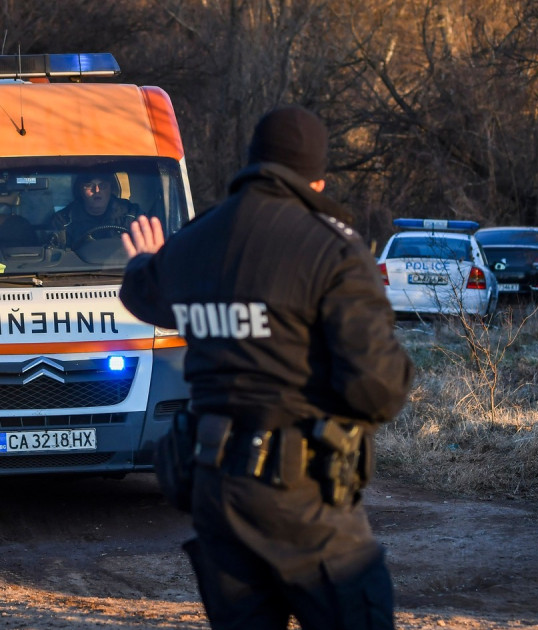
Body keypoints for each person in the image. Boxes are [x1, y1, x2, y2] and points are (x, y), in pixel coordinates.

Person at [119, 106, 414, 629]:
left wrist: (149, 260)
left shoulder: (193, 243)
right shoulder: (333, 249)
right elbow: (376, 389)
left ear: (252, 163)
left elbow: (143, 292)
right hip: (302, 494)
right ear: (317, 179)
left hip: (213, 490)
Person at [51, 170, 142, 248]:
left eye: (103, 185)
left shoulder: (131, 213)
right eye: (89, 185)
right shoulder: (63, 220)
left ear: (111, 188)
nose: (97, 190)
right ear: (80, 190)